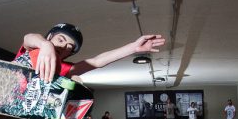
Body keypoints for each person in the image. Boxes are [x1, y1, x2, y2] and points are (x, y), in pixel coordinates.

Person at [15, 23, 165, 83]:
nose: (64, 47)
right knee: (37, 54)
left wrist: (133, 47)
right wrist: (45, 44)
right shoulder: (36, 48)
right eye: (60, 40)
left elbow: (97, 61)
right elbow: (28, 38)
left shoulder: (64, 68)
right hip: (3, 86)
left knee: (74, 79)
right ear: (49, 36)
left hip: (19, 109)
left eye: (69, 47)